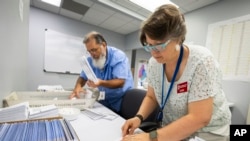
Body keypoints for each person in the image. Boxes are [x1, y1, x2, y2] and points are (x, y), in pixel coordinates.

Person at [121, 4, 231, 141]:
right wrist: (138, 118)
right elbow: (151, 97)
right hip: (173, 129)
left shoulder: (201, 60)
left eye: (159, 45)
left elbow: (199, 118)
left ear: (178, 39)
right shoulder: (154, 63)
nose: (153, 52)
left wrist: (150, 137)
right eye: (149, 45)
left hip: (207, 133)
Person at [69, 31, 134, 113]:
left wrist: (100, 82)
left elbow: (120, 82)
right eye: (89, 51)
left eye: (94, 50)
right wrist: (78, 87)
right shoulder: (90, 60)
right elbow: (82, 77)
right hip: (104, 100)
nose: (92, 54)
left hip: (121, 100)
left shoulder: (118, 56)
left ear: (103, 45)